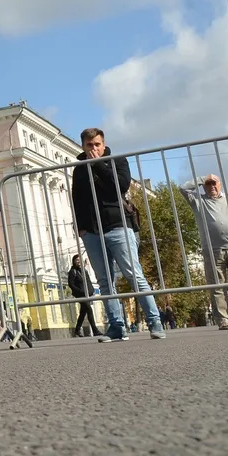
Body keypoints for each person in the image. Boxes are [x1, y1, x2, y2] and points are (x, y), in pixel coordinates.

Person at [71, 128, 166, 342]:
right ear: (83, 146)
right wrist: (80, 226)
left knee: (134, 274)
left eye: (97, 144)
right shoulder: (78, 169)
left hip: (118, 226)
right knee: (105, 281)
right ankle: (116, 326)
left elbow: (120, 187)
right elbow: (76, 197)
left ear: (103, 144)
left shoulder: (117, 161)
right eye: (89, 145)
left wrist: (97, 164)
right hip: (92, 232)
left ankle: (154, 322)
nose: (93, 149)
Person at [179, 174, 228, 329]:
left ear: (220, 184)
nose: (212, 187)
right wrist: (203, 178)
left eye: (214, 183)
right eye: (207, 184)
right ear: (203, 186)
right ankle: (224, 320)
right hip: (213, 250)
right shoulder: (199, 201)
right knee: (216, 286)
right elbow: (182, 188)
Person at [67, 254, 100, 338]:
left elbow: (88, 281)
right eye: (77, 260)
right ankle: (95, 330)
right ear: (73, 261)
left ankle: (77, 330)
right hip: (80, 295)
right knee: (89, 309)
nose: (78, 261)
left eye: (79, 260)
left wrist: (91, 290)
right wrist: (80, 291)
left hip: (87, 294)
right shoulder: (72, 271)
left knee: (83, 312)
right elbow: (71, 284)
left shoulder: (84, 271)